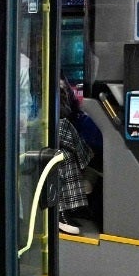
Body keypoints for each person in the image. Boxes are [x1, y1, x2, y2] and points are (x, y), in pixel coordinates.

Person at [50, 80, 96, 234]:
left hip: (61, 152)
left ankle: (68, 210)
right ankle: (61, 212)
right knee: (66, 158)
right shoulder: (62, 122)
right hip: (54, 156)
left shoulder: (72, 119)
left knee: (67, 155)